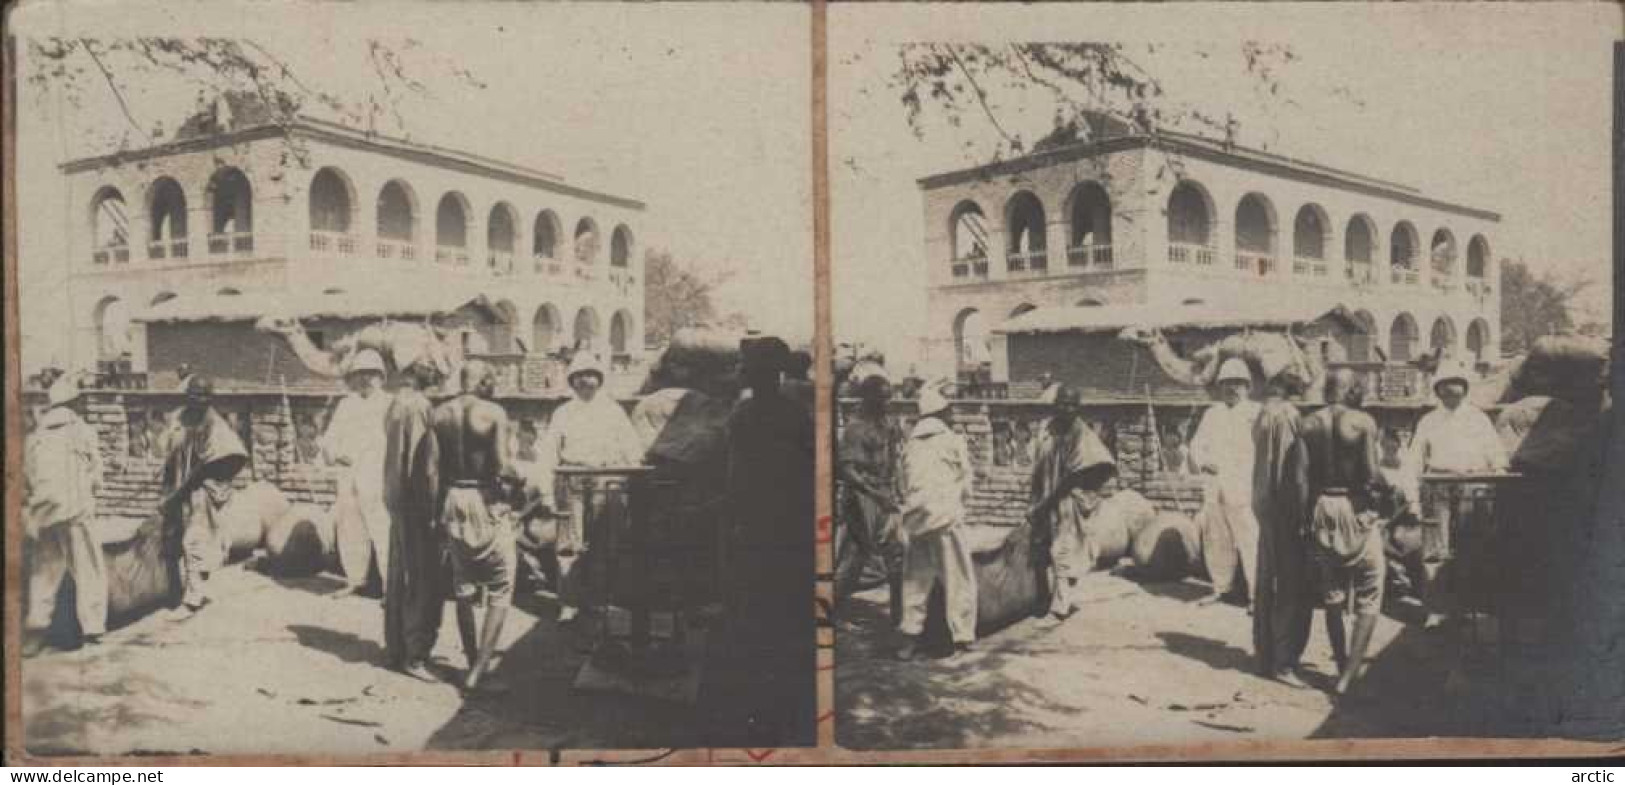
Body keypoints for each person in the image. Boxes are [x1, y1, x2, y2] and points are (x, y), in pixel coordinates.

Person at [721, 336, 816, 744]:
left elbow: (736, 476)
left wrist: (731, 517)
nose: (739, 370)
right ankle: (788, 707)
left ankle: (761, 712)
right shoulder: (795, 414)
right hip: (790, 528)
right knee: (786, 618)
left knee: (754, 619)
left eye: (744, 364)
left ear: (755, 371)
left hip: (758, 528)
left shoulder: (745, 415)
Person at [1295, 369, 1389, 696]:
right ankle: (1349, 675)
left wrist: (1306, 520)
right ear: (1350, 390)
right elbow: (1371, 474)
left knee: (1332, 593)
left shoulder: (1307, 424)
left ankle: (1339, 664)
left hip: (1322, 506)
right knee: (1370, 590)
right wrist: (1388, 494)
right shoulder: (1362, 422)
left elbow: (1300, 480)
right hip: (1354, 506)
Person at [431, 360, 521, 694]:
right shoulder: (493, 412)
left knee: (464, 584)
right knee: (501, 584)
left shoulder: (439, 413)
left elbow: (434, 469)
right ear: (482, 380)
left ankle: (471, 661)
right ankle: (479, 670)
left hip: (453, 497)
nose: (493, 385)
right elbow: (500, 466)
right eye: (491, 379)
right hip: (483, 497)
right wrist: (517, 483)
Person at [541, 352, 646, 623]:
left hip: (605, 480)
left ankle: (599, 599)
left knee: (603, 542)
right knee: (568, 543)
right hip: (570, 480)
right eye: (579, 376)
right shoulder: (563, 412)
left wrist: (631, 478)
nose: (585, 381)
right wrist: (545, 490)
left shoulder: (613, 411)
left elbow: (631, 447)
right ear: (572, 381)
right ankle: (569, 602)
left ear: (599, 380)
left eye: (591, 375)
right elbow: (549, 452)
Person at [1403, 360, 1505, 627]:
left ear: (1465, 388)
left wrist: (1497, 473)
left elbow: (1496, 453)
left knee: (1472, 548)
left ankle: (1470, 606)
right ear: (1438, 390)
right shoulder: (1428, 420)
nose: (1452, 389)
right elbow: (1413, 461)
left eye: (1457, 384)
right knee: (1435, 552)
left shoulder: (1478, 418)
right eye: (1446, 385)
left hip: (1472, 487)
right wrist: (1413, 499)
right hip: (1436, 488)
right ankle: (1436, 610)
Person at [23, 375, 107, 654]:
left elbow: (28, 477)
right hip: (76, 511)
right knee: (88, 568)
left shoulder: (36, 436)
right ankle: (93, 629)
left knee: (44, 573)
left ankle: (36, 630)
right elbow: (97, 476)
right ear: (74, 403)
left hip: (44, 512)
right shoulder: (82, 431)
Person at [383, 341, 451, 682]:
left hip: (397, 501)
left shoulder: (396, 403)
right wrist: (433, 508)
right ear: (413, 368)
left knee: (399, 576)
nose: (435, 370)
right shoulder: (420, 406)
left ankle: (396, 648)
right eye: (429, 365)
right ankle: (415, 655)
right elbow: (428, 467)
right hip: (416, 503)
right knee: (421, 579)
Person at [896, 384, 976, 660]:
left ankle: (909, 638)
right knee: (958, 579)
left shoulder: (910, 445)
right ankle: (962, 637)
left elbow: (903, 483)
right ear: (942, 413)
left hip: (916, 520)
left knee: (916, 582)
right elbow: (967, 483)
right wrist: (958, 505)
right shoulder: (953, 440)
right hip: (946, 519)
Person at [159, 375, 249, 621]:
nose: (198, 400)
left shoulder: (215, 425)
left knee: (194, 541)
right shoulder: (180, 418)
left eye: (203, 396)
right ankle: (177, 589)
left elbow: (206, 467)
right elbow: (170, 455)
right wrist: (166, 490)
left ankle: (192, 600)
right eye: (193, 395)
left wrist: (178, 494)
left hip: (200, 489)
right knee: (171, 539)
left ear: (210, 398)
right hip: (179, 486)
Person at [1028, 385, 1117, 622]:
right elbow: (1038, 465)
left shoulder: (1082, 434)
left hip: (1067, 500)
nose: (1067, 409)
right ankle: (1042, 598)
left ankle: (1059, 607)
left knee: (1063, 551)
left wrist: (1046, 504)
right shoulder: (1046, 429)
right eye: (1063, 403)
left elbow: (1074, 477)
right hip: (1045, 495)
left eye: (1072, 405)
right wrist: (1035, 500)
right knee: (1039, 549)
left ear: (1078, 408)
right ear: (1055, 404)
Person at [1250, 374, 1312, 687]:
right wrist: (1301, 515)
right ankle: (1284, 663)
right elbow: (1292, 473)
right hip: (1283, 509)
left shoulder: (1261, 414)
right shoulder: (1287, 416)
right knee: (1289, 587)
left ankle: (1263, 656)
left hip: (1263, 507)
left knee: (1265, 584)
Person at [1190, 358, 1263, 604]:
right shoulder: (1212, 414)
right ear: (1220, 387)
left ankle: (1256, 595)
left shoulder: (1256, 413)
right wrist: (1202, 462)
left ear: (1247, 387)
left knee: (1249, 539)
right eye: (1227, 384)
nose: (1232, 388)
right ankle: (1221, 587)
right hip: (1215, 487)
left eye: (1238, 383)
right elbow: (1196, 445)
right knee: (1216, 538)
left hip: (1243, 488)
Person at [322, 349, 392, 596]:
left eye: (371, 374)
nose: (365, 379)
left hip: (377, 476)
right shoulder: (346, 405)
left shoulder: (389, 404)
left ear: (381, 377)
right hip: (348, 474)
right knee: (350, 528)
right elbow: (330, 438)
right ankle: (355, 579)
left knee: (383, 531)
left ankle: (390, 587)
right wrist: (334, 452)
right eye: (360, 374)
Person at [835, 366, 902, 618]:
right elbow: (848, 469)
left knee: (897, 557)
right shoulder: (855, 428)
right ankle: (830, 612)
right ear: (868, 399)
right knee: (853, 560)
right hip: (861, 498)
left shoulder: (887, 426)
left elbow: (894, 461)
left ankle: (899, 616)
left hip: (884, 494)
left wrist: (896, 492)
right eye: (881, 399)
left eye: (888, 398)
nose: (886, 404)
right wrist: (874, 493)